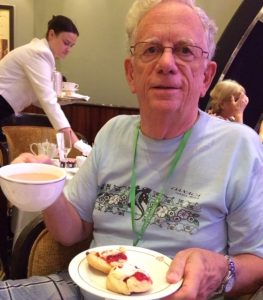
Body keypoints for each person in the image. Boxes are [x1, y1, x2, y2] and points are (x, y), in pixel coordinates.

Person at [1, 1, 263, 300]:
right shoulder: (114, 132)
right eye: (151, 49)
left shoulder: (239, 146)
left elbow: (257, 261)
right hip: (87, 290)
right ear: (131, 74)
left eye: (185, 50)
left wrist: (223, 271)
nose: (166, 63)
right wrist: (45, 185)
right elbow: (70, 232)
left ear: (206, 76)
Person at [0, 15, 90, 154]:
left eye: (71, 46)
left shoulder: (43, 54)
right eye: (66, 43)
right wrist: (77, 143)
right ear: (52, 34)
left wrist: (67, 101)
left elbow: (39, 99)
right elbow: (47, 101)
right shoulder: (38, 53)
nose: (68, 49)